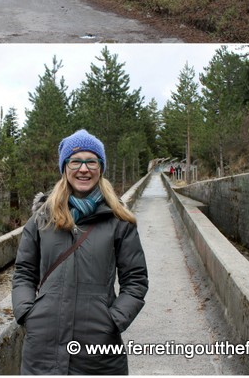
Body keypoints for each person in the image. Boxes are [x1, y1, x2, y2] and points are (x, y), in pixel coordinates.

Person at [12, 129, 148, 374]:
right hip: (43, 346)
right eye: (75, 161)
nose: (83, 169)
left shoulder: (120, 221)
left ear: (100, 168)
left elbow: (136, 282)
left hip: (99, 348)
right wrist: (26, 313)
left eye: (91, 161)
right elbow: (24, 272)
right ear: (65, 167)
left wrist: (113, 321)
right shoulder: (41, 220)